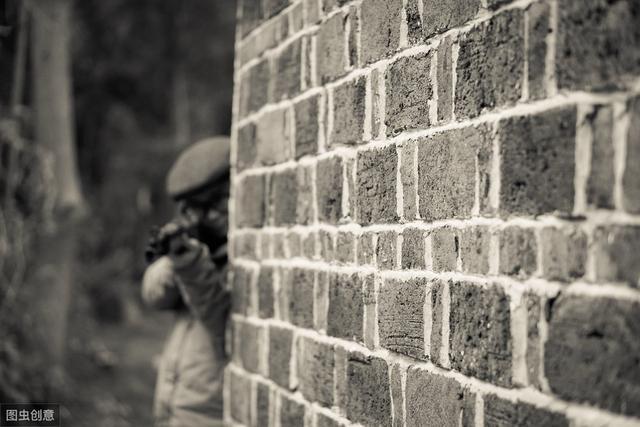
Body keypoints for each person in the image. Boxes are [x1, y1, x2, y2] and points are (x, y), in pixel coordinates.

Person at [141, 137, 231, 427]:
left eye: (219, 203)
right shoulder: (195, 250)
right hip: (173, 405)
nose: (214, 216)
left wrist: (191, 264)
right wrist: (177, 257)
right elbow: (154, 295)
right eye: (202, 209)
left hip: (209, 415)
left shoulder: (247, 255)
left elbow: (223, 324)